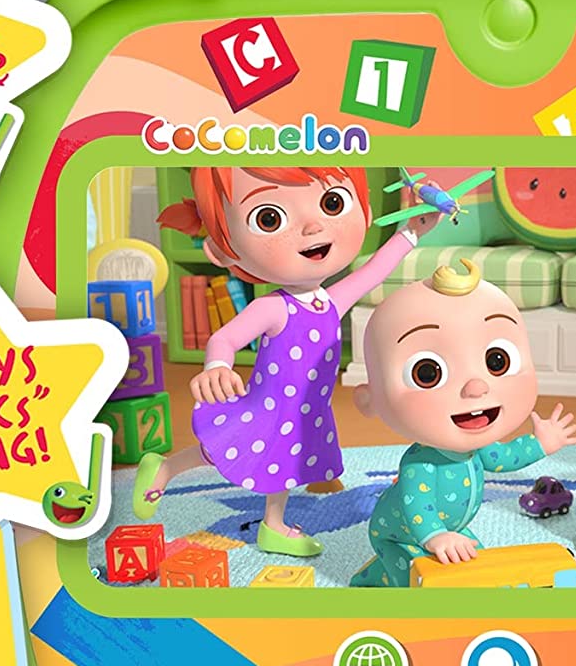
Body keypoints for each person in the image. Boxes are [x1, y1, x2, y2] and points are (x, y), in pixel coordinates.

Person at [165, 166, 443, 559]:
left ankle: (313, 480)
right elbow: (224, 339)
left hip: (309, 406)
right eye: (270, 218)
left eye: (332, 203)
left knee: (272, 449)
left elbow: (375, 270)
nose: (313, 227)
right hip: (272, 407)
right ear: (224, 251)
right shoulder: (272, 308)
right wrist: (216, 367)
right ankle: (272, 525)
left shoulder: (330, 300)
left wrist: (412, 231)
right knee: (253, 456)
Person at [350, 259, 576, 587]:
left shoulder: (476, 447)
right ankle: (370, 581)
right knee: (414, 582)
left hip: (452, 530)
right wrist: (435, 537)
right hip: (400, 537)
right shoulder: (420, 463)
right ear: (370, 399)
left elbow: (502, 458)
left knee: (481, 572)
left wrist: (540, 443)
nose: (476, 387)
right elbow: (418, 506)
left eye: (496, 361)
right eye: (427, 373)